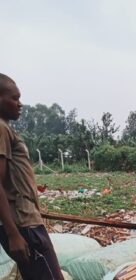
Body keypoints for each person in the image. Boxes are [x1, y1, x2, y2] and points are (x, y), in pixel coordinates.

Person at [0, 73, 63, 280]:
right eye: (15, 98)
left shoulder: (6, 129)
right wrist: (13, 234)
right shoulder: (1, 129)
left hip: (24, 223)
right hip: (23, 225)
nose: (20, 104)